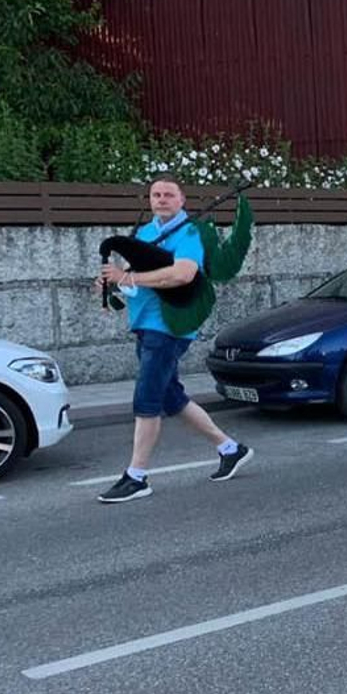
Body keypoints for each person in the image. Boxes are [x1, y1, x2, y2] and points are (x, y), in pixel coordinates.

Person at [93, 174, 253, 503]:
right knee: (171, 397)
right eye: (156, 194)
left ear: (181, 201)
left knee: (147, 398)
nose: (162, 199)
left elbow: (183, 273)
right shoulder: (145, 233)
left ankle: (136, 476)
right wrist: (112, 287)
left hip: (169, 327)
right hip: (144, 324)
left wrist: (129, 276)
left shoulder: (189, 232)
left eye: (169, 194)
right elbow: (132, 284)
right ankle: (230, 448)